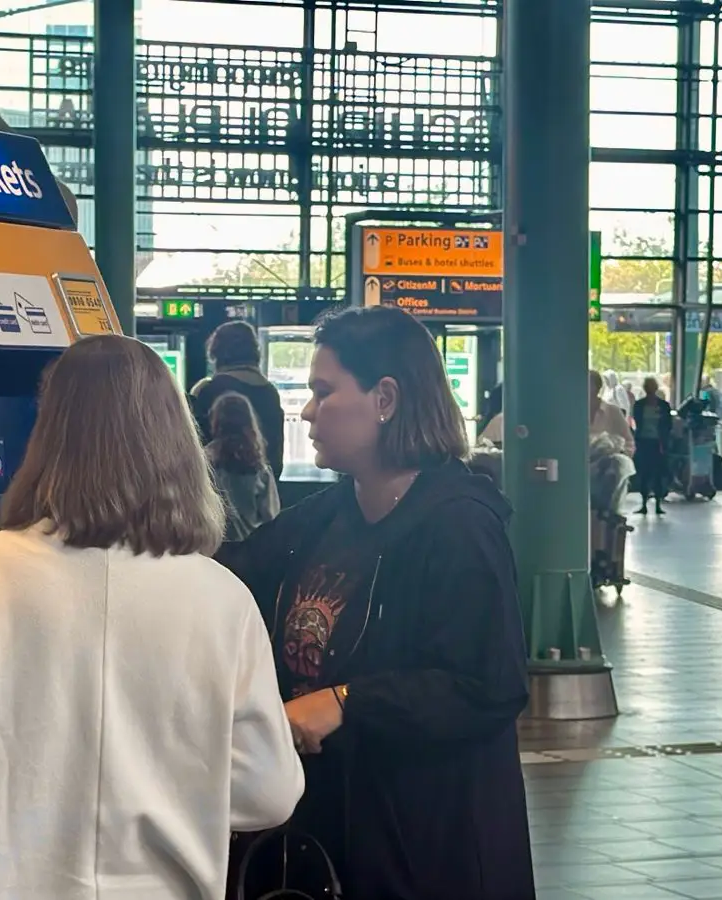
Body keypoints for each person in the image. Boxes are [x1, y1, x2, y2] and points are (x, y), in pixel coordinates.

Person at [0, 335, 304, 900]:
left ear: (50, 437)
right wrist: (172, 781)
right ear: (176, 443)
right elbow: (270, 792)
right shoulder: (223, 599)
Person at [218, 306, 533, 900]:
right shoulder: (325, 518)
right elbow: (227, 574)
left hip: (424, 850)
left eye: (324, 392)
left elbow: (486, 685)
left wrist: (345, 703)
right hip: (334, 838)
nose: (307, 411)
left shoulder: (460, 525)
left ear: (385, 398)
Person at [191, 321, 286, 481]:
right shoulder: (270, 392)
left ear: (216, 352)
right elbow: (276, 454)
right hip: (264, 484)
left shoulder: (209, 390)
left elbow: (195, 446)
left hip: (216, 487)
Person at [207, 392, 282, 541]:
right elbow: (271, 515)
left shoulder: (205, 462)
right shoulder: (260, 468)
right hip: (252, 545)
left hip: (216, 545)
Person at [632, 375, 674, 516]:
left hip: (657, 443)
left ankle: (656, 504)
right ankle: (645, 503)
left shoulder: (663, 405)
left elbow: (668, 425)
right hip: (644, 442)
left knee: (657, 474)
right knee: (645, 473)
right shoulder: (640, 405)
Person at [590, 369, 635, 455]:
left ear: (597, 387)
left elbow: (629, 442)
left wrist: (620, 456)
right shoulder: (574, 413)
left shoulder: (613, 411)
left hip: (608, 461)